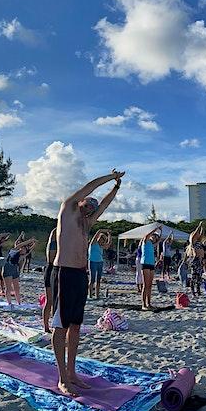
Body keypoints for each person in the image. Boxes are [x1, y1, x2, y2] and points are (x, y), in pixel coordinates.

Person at [51, 169, 122, 396]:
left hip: (81, 275)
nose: (91, 207)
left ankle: (72, 373)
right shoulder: (68, 209)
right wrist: (110, 178)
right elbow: (90, 188)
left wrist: (116, 187)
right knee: (61, 325)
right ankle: (62, 378)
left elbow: (104, 205)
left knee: (76, 325)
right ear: (79, 201)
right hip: (64, 273)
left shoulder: (86, 223)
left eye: (93, 206)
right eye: (88, 203)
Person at [3, 236, 37, 306]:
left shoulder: (21, 256)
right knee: (8, 287)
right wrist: (30, 240)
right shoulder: (14, 250)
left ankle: (19, 303)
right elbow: (20, 245)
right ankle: (9, 303)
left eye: (25, 249)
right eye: (24, 248)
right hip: (8, 268)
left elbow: (29, 251)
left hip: (14, 269)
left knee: (17, 288)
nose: (24, 250)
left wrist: (34, 244)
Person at [137, 225, 163, 310]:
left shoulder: (152, 245)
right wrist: (155, 229)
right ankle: (143, 304)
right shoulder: (145, 241)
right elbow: (147, 236)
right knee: (145, 285)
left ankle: (149, 303)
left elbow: (159, 240)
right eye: (153, 236)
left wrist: (160, 231)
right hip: (145, 264)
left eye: (155, 237)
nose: (154, 238)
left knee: (150, 285)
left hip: (151, 264)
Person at [88, 230, 110, 299]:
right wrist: (103, 230)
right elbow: (98, 232)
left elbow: (108, 244)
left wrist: (109, 235)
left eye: (103, 240)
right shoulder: (93, 243)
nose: (102, 241)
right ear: (98, 238)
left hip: (100, 262)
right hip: (92, 262)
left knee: (98, 280)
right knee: (92, 280)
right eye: (101, 239)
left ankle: (97, 295)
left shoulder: (102, 246)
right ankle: (90, 295)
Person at [42, 228, 57, 333]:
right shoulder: (53, 243)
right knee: (50, 300)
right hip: (52, 269)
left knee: (55, 301)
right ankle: (46, 326)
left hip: (56, 269)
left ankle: (53, 324)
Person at [187, 222, 206, 297]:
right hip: (195, 260)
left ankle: (198, 291)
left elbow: (202, 234)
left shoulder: (198, 241)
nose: (198, 234)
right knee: (194, 277)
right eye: (196, 233)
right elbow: (195, 234)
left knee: (199, 277)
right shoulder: (193, 241)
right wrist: (199, 225)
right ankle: (192, 291)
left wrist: (202, 227)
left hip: (200, 260)